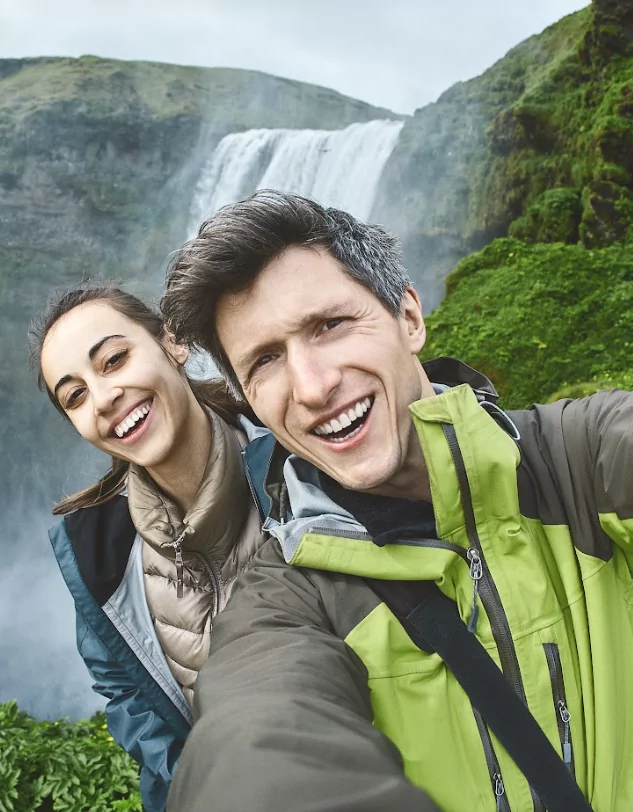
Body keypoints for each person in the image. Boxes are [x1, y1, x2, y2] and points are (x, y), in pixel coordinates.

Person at [160, 190, 633, 812]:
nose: (314, 387)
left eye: (328, 325)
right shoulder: (284, 605)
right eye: (266, 361)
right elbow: (255, 745)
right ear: (247, 396)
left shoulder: (584, 458)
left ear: (409, 316)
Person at [29, 285, 269, 812]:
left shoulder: (300, 468)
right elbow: (125, 690)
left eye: (114, 360)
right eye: (75, 396)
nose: (104, 397)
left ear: (174, 341)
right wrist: (194, 780)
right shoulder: (99, 557)